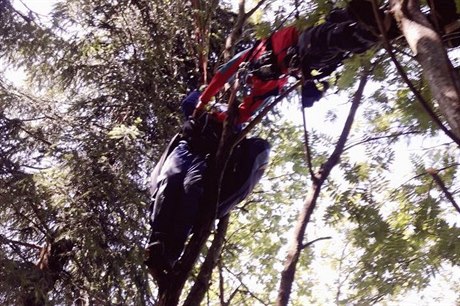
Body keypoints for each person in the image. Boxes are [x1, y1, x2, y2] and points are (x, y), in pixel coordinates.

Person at [145, 90, 271, 285]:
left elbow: (243, 152)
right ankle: (157, 241)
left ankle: (171, 253)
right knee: (170, 179)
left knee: (191, 189)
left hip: (205, 161)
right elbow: (189, 103)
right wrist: (205, 89)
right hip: (186, 149)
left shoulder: (237, 128)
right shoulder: (203, 115)